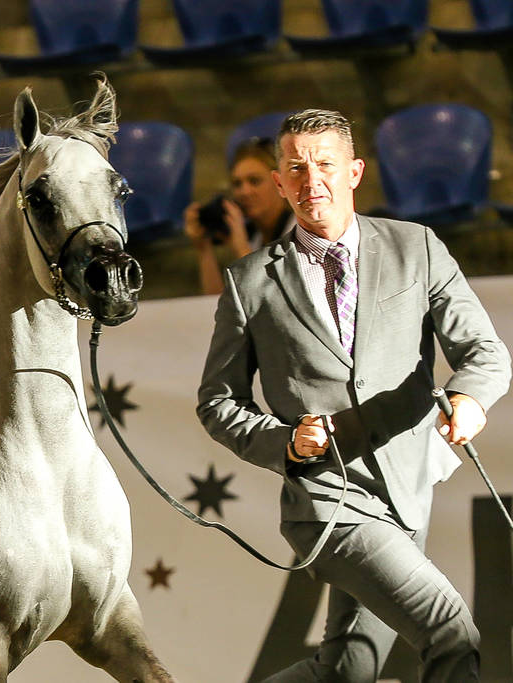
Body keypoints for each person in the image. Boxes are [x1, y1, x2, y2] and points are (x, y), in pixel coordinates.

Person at [196, 109, 511, 682]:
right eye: (295, 168)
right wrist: (287, 441)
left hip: (407, 489)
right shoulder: (249, 285)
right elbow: (217, 403)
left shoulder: (417, 247)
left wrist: (469, 397)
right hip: (329, 503)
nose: (311, 180)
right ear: (280, 182)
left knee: (348, 670)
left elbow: (485, 353)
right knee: (451, 632)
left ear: (355, 172)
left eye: (324, 165)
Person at [184, 137, 294, 295]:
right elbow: (216, 304)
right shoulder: (255, 236)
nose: (244, 192)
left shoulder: (300, 232)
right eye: (237, 184)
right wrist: (203, 248)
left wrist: (241, 248)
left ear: (279, 183)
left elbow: (276, 301)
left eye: (254, 181)